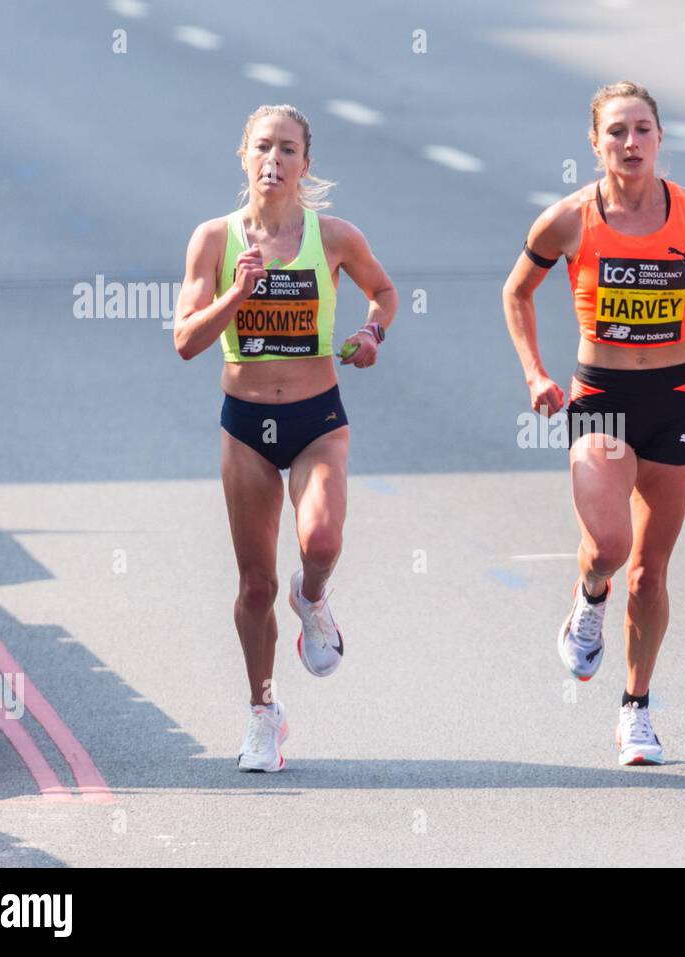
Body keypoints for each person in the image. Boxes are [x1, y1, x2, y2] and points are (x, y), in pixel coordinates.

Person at [503, 81, 685, 766]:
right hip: (601, 397)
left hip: (675, 396)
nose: (630, 142)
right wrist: (535, 372)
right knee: (611, 544)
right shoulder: (568, 219)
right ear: (595, 144)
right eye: (616, 131)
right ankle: (589, 596)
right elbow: (516, 292)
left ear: (660, 137)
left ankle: (636, 708)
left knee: (650, 572)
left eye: (642, 129)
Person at [173, 104, 397, 772]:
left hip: (316, 418)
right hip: (245, 426)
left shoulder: (333, 238)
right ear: (243, 155)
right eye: (263, 146)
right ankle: (263, 713)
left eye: (288, 148)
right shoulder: (213, 240)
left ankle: (316, 595)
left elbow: (384, 292)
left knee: (321, 541)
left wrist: (370, 333)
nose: (275, 158)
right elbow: (187, 341)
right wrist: (234, 298)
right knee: (253, 585)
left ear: (305, 164)